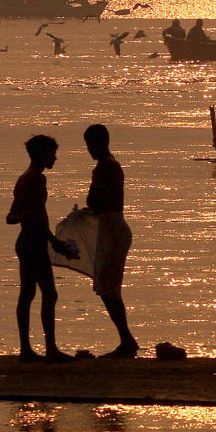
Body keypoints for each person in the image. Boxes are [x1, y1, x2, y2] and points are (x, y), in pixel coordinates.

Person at [6, 134, 79, 362]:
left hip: (27, 242)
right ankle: (50, 348)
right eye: (52, 154)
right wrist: (54, 242)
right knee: (48, 293)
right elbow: (35, 218)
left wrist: (32, 220)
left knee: (27, 294)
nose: (55, 158)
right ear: (41, 155)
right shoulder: (36, 180)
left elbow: (12, 217)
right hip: (33, 243)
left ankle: (26, 349)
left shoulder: (24, 178)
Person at [84, 124, 138, 358]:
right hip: (112, 228)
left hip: (113, 230)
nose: (89, 150)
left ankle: (127, 340)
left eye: (91, 145)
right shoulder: (110, 165)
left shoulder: (105, 167)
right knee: (108, 288)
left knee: (109, 288)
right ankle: (126, 339)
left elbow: (95, 201)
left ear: (100, 143)